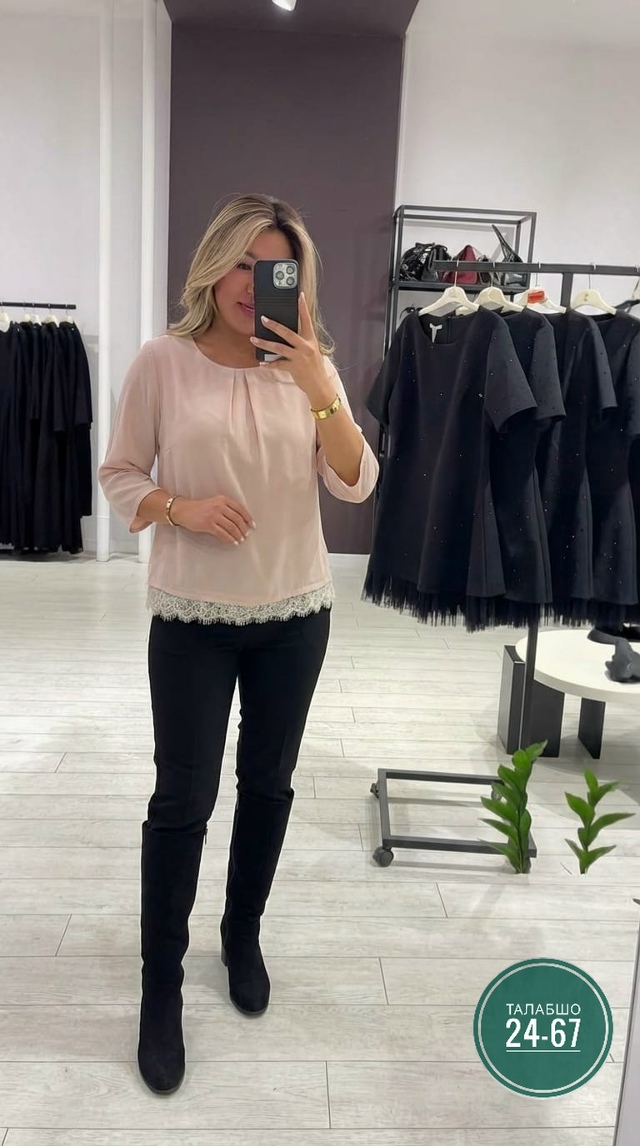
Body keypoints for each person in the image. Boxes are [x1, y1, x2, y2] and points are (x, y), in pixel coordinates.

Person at [98, 193, 378, 1096]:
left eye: (275, 268)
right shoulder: (162, 362)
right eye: (242, 263)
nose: (254, 283)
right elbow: (119, 472)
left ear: (299, 280)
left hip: (296, 611)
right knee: (182, 798)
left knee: (269, 783)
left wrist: (321, 389)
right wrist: (178, 508)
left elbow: (355, 481)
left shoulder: (311, 369)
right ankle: (161, 986)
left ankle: (241, 933)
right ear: (213, 264)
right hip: (192, 616)